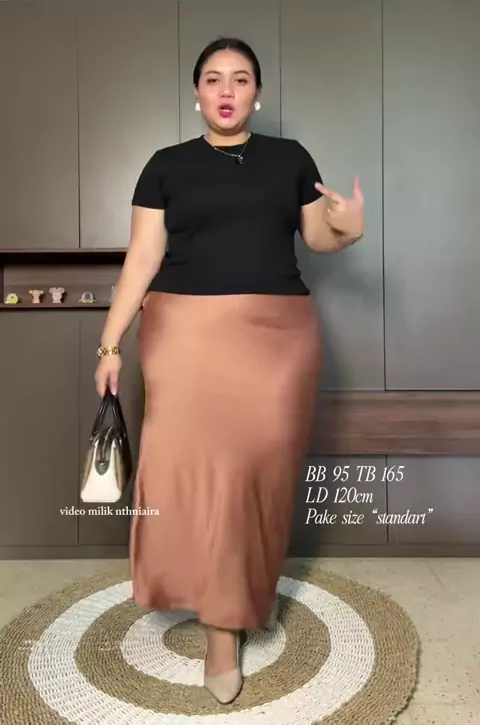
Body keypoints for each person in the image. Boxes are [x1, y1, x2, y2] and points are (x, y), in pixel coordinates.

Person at [95, 36, 364, 705]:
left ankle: (232, 602)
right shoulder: (165, 167)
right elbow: (141, 258)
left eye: (240, 79)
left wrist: (350, 229)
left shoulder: (291, 159)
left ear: (256, 94)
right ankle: (222, 627)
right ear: (197, 94)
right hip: (184, 336)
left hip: (278, 338)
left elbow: (319, 238)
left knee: (254, 474)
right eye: (213, 78)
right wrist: (109, 343)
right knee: (199, 474)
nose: (226, 89)